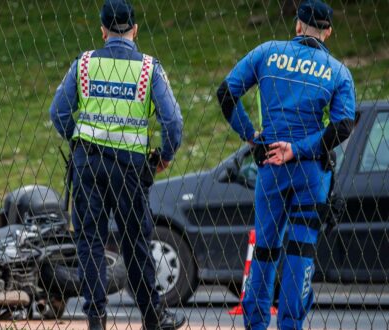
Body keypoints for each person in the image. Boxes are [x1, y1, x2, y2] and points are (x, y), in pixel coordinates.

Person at [216, 1, 356, 329]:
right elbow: (343, 126)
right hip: (310, 169)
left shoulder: (267, 52)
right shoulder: (337, 71)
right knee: (300, 250)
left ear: (297, 25)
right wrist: (300, 148)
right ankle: (291, 323)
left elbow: (226, 94)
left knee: (265, 248)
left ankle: (256, 322)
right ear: (328, 32)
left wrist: (251, 135)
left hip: (271, 165)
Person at [49, 1, 185, 329]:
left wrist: (78, 139)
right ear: (134, 30)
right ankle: (153, 317)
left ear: (103, 30)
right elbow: (173, 122)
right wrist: (164, 156)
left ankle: (96, 318)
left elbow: (59, 113)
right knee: (134, 241)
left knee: (90, 241)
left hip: (88, 163)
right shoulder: (149, 68)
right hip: (128, 168)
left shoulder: (84, 65)